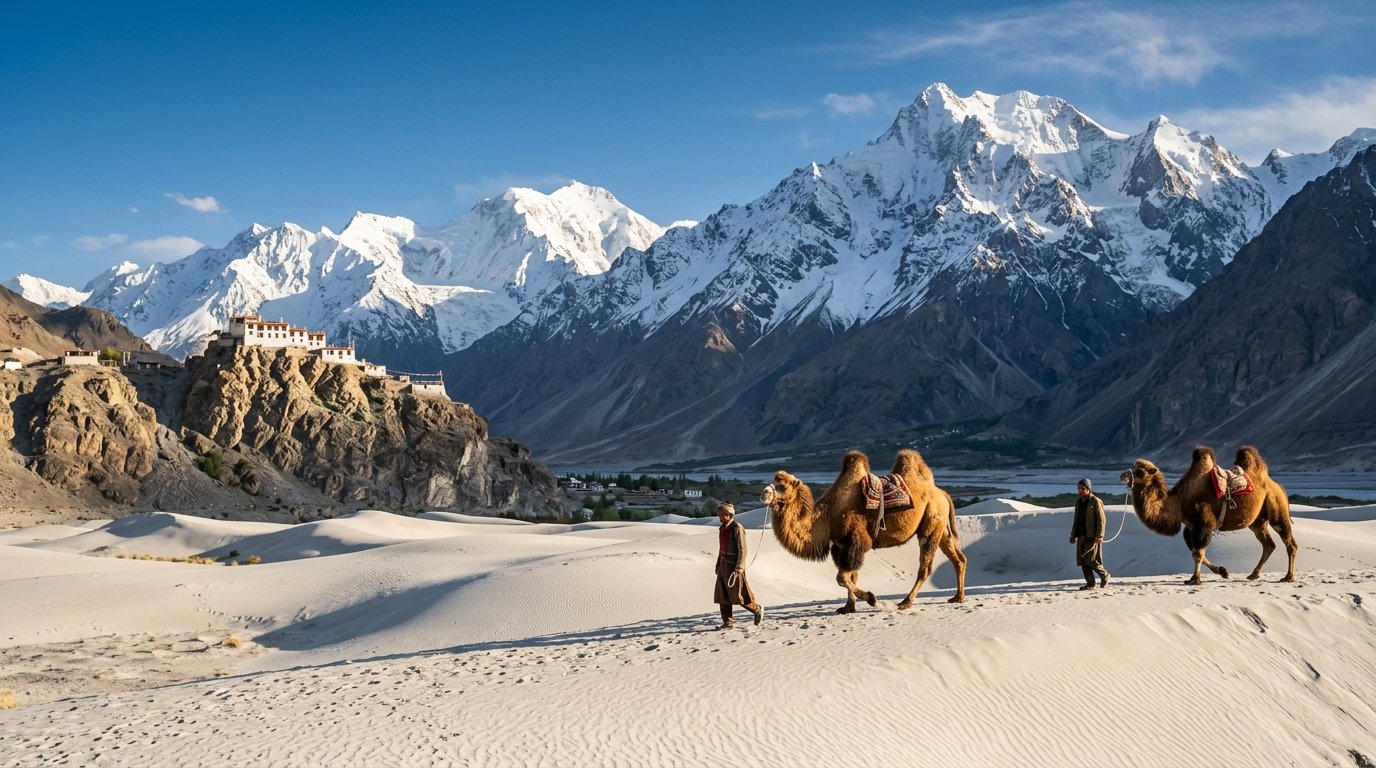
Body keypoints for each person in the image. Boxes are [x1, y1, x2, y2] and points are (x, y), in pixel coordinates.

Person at [713, 501, 763, 629]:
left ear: (729, 514)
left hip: (734, 567)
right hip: (724, 565)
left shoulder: (737, 528)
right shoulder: (722, 528)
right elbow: (721, 549)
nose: (720, 517)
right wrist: (718, 565)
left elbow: (743, 549)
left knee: (738, 595)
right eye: (719, 514)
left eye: (722, 514)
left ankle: (756, 609)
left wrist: (740, 567)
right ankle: (727, 622)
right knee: (722, 595)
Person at [1069, 478, 1109, 590]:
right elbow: (1076, 519)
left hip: (1092, 536)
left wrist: (1099, 536)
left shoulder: (1095, 501)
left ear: (1088, 489)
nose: (1080, 491)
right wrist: (1073, 535)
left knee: (1090, 559)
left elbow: (1102, 520)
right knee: (1083, 560)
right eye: (1078, 488)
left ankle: (1104, 575)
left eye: (1082, 488)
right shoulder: (1078, 502)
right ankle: (1090, 584)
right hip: (1081, 535)